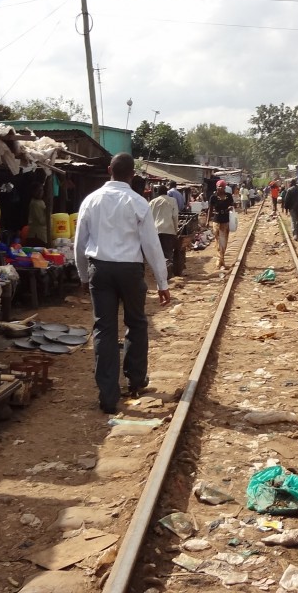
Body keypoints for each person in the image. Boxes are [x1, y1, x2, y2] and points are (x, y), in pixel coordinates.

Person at [74, 153, 171, 414]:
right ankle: (136, 381)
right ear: (132, 176)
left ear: (109, 170)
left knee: (104, 330)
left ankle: (107, 396)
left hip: (100, 269)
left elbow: (80, 243)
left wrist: (83, 276)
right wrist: (162, 282)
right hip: (130, 270)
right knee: (136, 323)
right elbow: (151, 245)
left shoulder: (90, 201)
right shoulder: (138, 202)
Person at [149, 184, 179, 278]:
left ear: (157, 193)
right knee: (167, 252)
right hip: (168, 230)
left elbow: (148, 218)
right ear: (167, 192)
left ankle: (158, 273)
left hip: (155, 231)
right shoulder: (172, 201)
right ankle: (167, 271)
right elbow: (175, 216)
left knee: (158, 253)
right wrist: (176, 230)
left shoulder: (152, 202)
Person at [205, 179, 236, 269]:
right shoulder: (213, 197)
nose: (221, 188)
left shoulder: (229, 196)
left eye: (222, 186)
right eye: (219, 186)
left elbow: (233, 205)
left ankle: (221, 259)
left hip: (226, 220)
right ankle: (220, 260)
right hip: (216, 221)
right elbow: (210, 209)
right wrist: (207, 221)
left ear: (225, 187)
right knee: (218, 241)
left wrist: (231, 207)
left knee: (224, 241)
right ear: (217, 187)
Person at [25, 182, 50, 247]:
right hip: (37, 235)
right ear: (33, 192)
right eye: (38, 190)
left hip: (41, 235)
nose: (40, 192)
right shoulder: (35, 203)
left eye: (41, 190)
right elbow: (42, 221)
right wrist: (47, 211)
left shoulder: (40, 201)